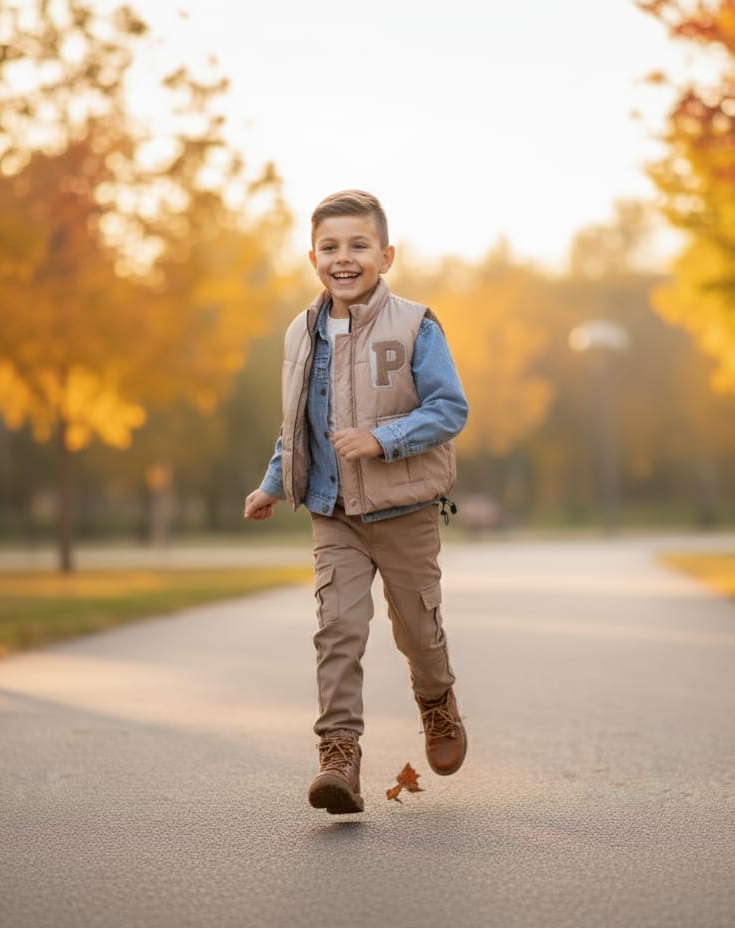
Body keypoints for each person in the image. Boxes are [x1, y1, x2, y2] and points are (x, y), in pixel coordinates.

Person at [244, 190, 469, 815]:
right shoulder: (301, 331)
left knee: (419, 633)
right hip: (333, 514)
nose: (344, 258)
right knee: (337, 631)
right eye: (331, 247)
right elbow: (299, 422)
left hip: (405, 512)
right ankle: (338, 753)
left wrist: (382, 439)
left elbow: (450, 409)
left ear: (386, 255)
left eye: (359, 245)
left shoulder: (416, 326)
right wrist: (271, 482)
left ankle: (436, 701)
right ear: (313, 258)